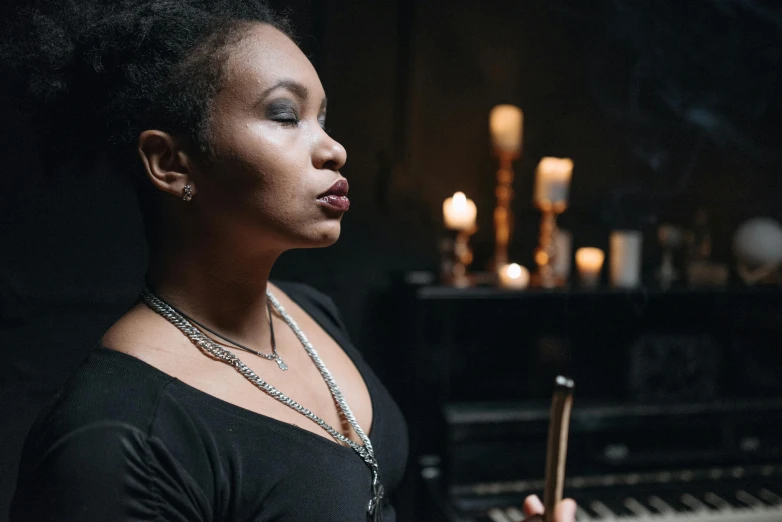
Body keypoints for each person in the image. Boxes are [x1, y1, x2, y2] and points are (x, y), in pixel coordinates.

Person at [5, 1, 576, 520]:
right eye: (285, 115)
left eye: (322, 118)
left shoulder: (308, 313)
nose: (334, 148)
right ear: (170, 163)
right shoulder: (114, 438)